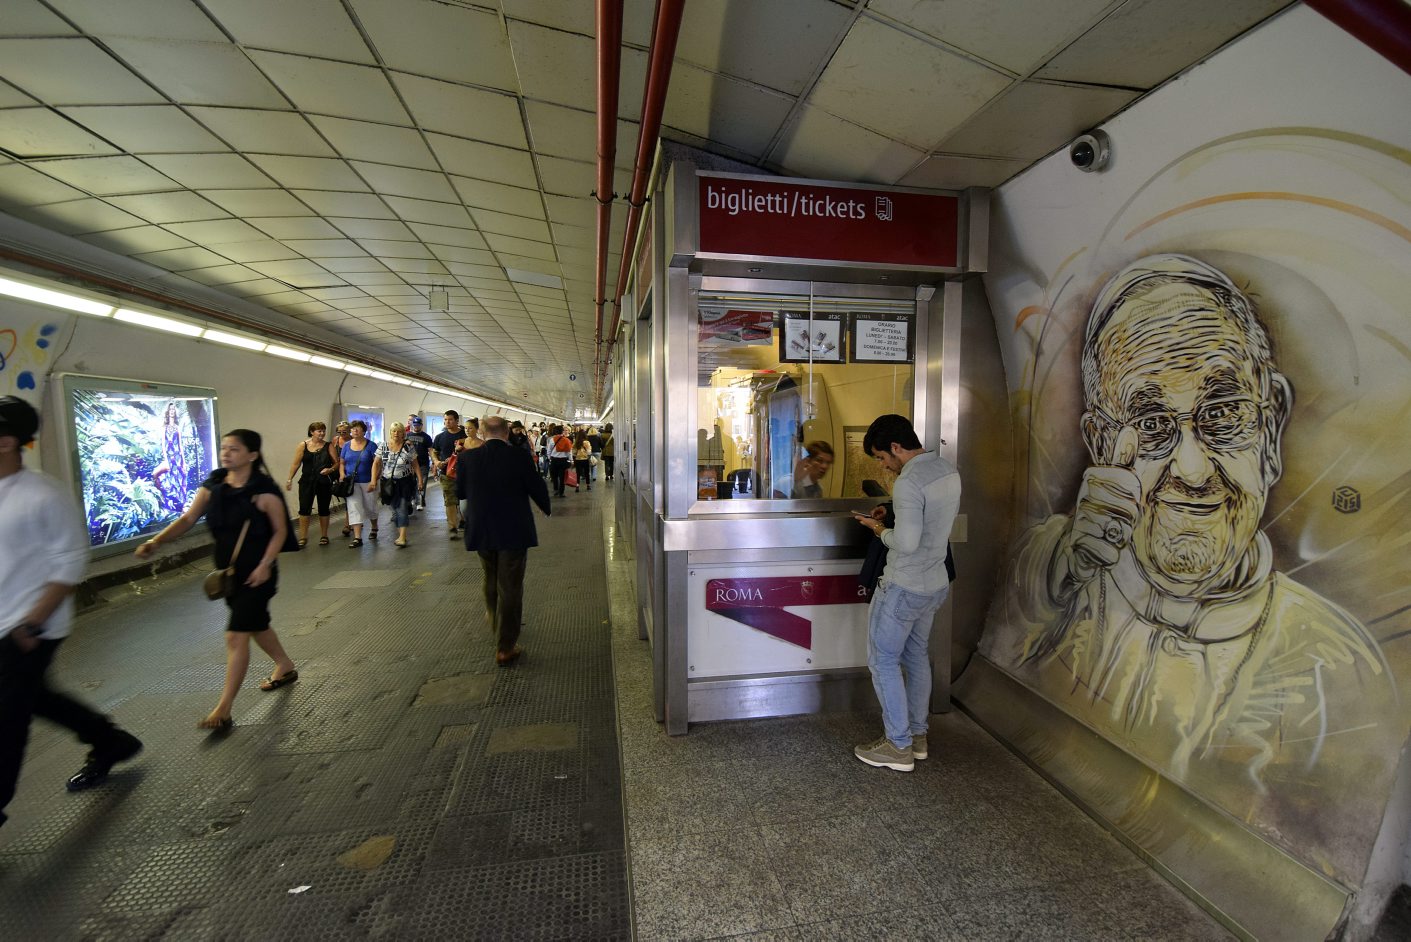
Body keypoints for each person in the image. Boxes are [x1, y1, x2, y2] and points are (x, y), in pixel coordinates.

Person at [989, 254, 1395, 797]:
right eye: (1153, 425)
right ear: (1103, 447)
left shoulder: (1339, 670)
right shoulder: (1051, 576)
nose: (1194, 469)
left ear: (1270, 427)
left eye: (1224, 413)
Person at [0, 397, 144, 824]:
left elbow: (69, 561)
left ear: (8, 441)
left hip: (29, 625)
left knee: (6, 719)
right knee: (34, 699)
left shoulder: (43, 494)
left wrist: (33, 622)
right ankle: (109, 741)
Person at [135, 428, 300, 730]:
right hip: (228, 574)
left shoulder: (263, 490)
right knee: (255, 625)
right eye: (224, 448)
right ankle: (285, 665)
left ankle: (223, 709)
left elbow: (279, 531)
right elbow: (188, 519)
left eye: (234, 449)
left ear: (252, 454)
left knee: (236, 635)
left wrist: (266, 564)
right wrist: (156, 542)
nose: (226, 453)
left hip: (258, 574)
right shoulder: (213, 485)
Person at [852, 414, 961, 772]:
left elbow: (906, 542)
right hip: (935, 584)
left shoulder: (909, 481)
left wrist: (879, 528)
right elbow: (930, 519)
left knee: (883, 660)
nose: (885, 465)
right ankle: (916, 738)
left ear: (896, 448)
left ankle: (896, 746)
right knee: (915, 657)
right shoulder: (946, 470)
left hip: (903, 585)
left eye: (883, 457)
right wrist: (896, 510)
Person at [456, 415, 551, 666]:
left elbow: (461, 493)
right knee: (510, 585)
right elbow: (535, 484)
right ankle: (505, 646)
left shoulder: (467, 458)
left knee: (490, 575)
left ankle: (495, 619)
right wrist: (546, 506)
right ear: (507, 433)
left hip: (481, 528)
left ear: (482, 433)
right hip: (513, 528)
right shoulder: (518, 456)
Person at [285, 421, 336, 546]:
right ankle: (303, 537)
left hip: (323, 482)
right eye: (319, 431)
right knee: (304, 509)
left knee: (324, 509)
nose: (322, 433)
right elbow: (296, 463)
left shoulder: (328, 446)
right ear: (312, 432)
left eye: (323, 431)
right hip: (307, 481)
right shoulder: (303, 445)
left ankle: (324, 535)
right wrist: (289, 478)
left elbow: (336, 462)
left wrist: (330, 469)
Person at [377, 422, 424, 548]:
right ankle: (400, 534)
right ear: (390, 432)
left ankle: (402, 537)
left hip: (404, 482)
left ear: (404, 433)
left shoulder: (408, 446)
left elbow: (415, 464)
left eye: (399, 431)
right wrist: (373, 480)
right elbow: (376, 464)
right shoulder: (383, 446)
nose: (396, 434)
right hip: (388, 483)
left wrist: (420, 480)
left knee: (401, 508)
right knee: (394, 509)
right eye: (393, 431)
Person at [338, 419, 380, 546]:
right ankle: (357, 538)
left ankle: (374, 526)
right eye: (353, 428)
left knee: (370, 506)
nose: (355, 430)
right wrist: (342, 474)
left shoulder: (371, 445)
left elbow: (377, 464)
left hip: (368, 481)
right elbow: (342, 462)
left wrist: (374, 480)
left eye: (358, 428)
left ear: (364, 431)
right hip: (352, 483)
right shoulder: (346, 446)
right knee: (353, 507)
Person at [431, 410, 467, 537]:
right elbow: (434, 451)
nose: (447, 422)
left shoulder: (465, 435)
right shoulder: (440, 437)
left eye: (450, 419)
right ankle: (452, 527)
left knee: (463, 498)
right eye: (445, 420)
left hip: (464, 473)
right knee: (450, 500)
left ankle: (463, 519)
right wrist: (436, 462)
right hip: (446, 473)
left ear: (457, 421)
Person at [405, 415, 432, 511]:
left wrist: (433, 463)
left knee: (422, 483)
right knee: (411, 483)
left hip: (423, 463)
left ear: (421, 425)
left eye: (418, 425)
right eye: (415, 425)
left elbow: (430, 450)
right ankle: (413, 498)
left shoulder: (426, 437)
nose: (416, 427)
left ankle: (420, 502)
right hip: (410, 464)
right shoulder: (407, 436)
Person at [331, 421, 352, 537]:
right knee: (344, 496)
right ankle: (353, 520)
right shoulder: (335, 440)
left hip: (350, 471)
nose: (342, 434)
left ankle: (347, 524)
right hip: (338, 471)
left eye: (344, 432)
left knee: (349, 498)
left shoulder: (353, 440)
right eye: (339, 432)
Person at [549, 424, 573, 497]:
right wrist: (571, 460)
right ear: (562, 432)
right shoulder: (567, 440)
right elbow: (569, 452)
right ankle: (561, 492)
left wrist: (550, 458)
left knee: (554, 477)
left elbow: (549, 451)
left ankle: (556, 490)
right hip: (563, 461)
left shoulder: (552, 440)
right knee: (562, 477)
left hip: (554, 460)